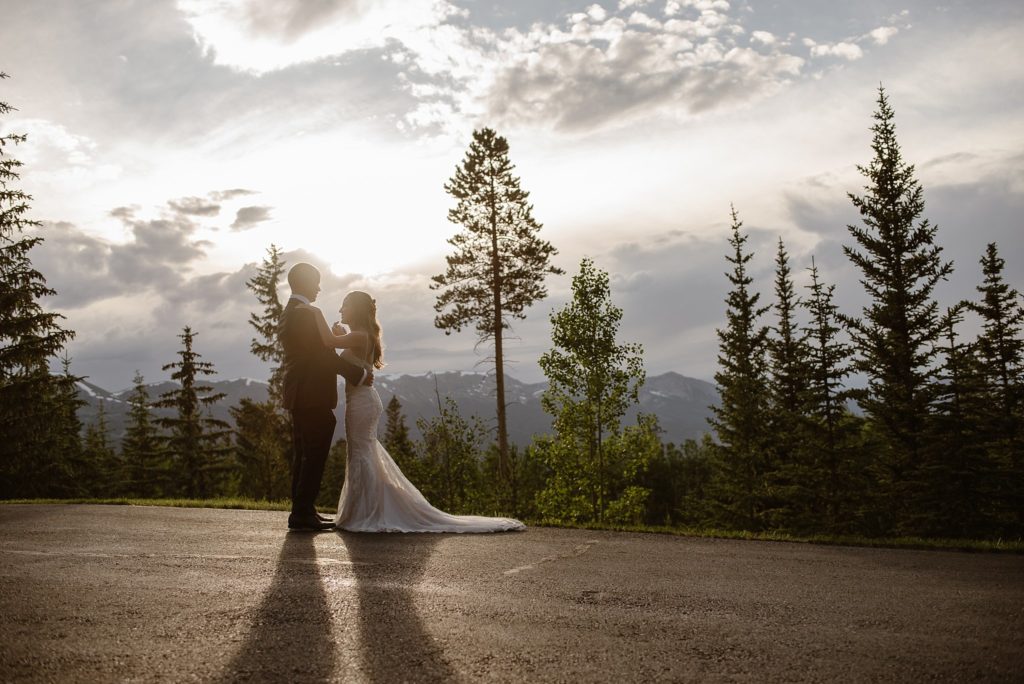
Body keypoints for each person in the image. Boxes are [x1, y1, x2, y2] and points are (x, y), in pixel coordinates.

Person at [297, 290, 525, 533]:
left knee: (361, 453)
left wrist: (315, 312)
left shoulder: (360, 336)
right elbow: (337, 346)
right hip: (361, 401)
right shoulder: (360, 335)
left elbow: (329, 343)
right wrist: (339, 334)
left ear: (356, 309)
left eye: (344, 306)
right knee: (361, 453)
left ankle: (369, 512)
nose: (341, 310)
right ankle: (364, 509)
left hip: (362, 403)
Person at [278, 263, 372, 532]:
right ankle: (302, 513)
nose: (319, 288)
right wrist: (358, 374)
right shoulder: (304, 314)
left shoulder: (290, 312)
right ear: (306, 283)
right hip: (312, 394)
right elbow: (322, 356)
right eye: (316, 282)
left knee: (304, 454)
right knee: (313, 453)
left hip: (299, 393)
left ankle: (304, 510)